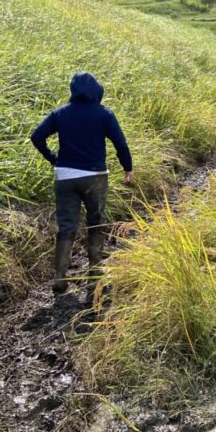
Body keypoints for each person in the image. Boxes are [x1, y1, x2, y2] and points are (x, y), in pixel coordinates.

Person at [30, 72, 133, 296]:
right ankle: (95, 273)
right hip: (95, 176)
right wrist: (127, 167)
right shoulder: (104, 114)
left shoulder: (60, 113)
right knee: (96, 222)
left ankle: (60, 277)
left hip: (65, 176)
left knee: (67, 225)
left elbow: (36, 136)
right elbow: (120, 144)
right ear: (96, 90)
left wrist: (53, 159)